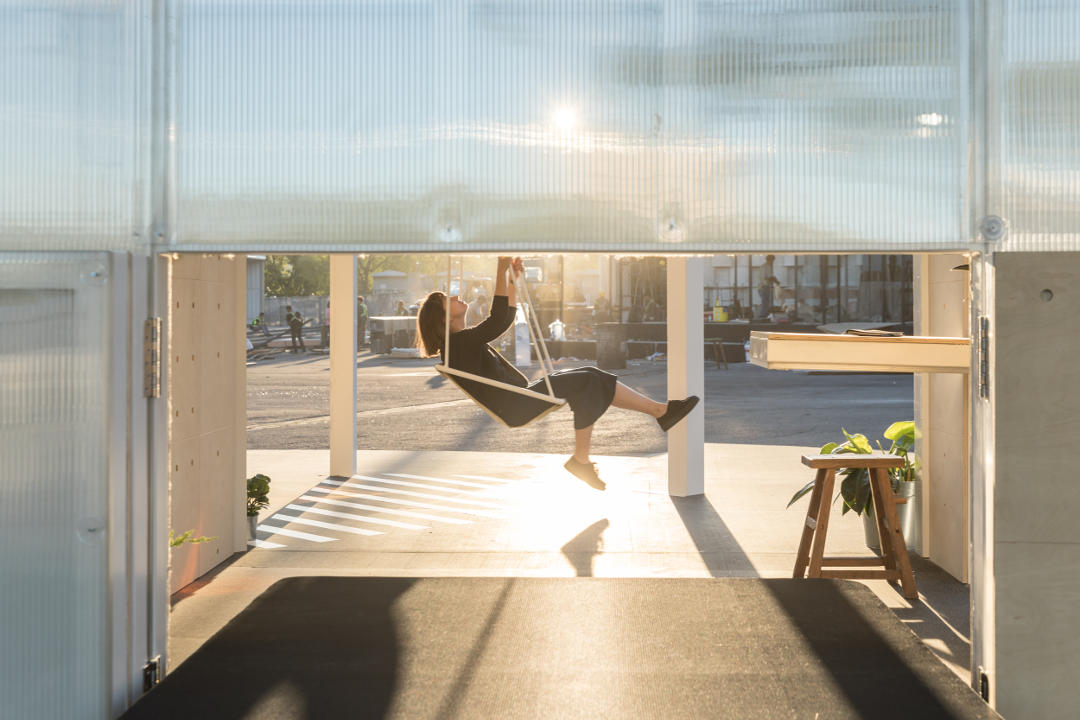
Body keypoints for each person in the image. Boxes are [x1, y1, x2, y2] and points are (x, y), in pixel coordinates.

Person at [416, 256, 698, 490]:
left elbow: (505, 318)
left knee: (592, 375)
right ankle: (581, 459)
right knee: (588, 381)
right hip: (516, 402)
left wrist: (511, 282)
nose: (455, 295)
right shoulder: (456, 347)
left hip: (519, 398)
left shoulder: (460, 343)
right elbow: (498, 321)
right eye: (447, 298)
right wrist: (501, 273)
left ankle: (661, 412)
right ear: (442, 316)